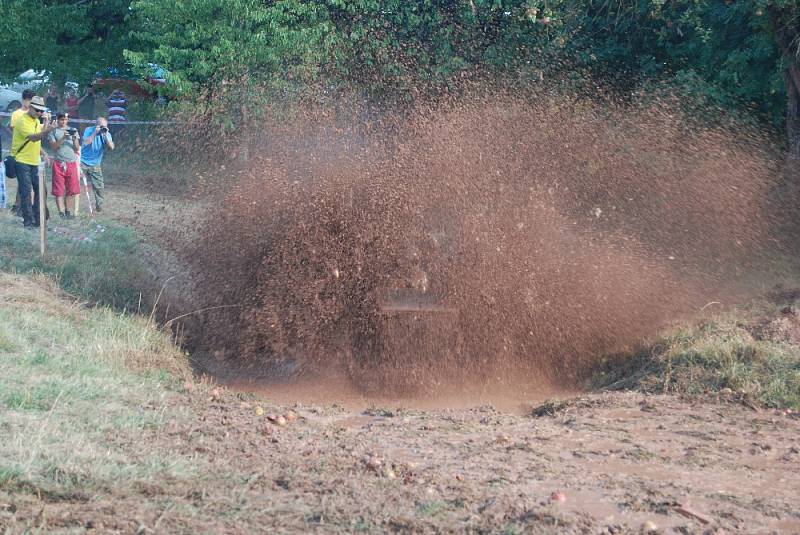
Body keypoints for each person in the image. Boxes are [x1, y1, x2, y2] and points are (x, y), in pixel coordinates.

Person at [11, 96, 56, 228]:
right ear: (30, 107)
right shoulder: (22, 121)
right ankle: (28, 222)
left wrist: (47, 122)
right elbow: (34, 138)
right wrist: (48, 129)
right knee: (26, 192)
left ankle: (39, 220)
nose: (40, 113)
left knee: (42, 191)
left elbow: (42, 134)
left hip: (34, 161)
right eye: (37, 110)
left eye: (42, 111)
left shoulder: (36, 120)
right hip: (21, 161)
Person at [48, 113, 80, 218]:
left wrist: (74, 139)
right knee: (59, 190)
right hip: (58, 163)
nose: (64, 122)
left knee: (71, 190)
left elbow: (76, 148)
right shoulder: (53, 131)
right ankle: (61, 213)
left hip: (71, 162)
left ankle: (68, 211)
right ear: (57, 120)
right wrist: (63, 138)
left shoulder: (73, 130)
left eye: (66, 119)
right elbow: (53, 147)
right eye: (62, 119)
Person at [80, 116, 115, 212]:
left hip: (95, 164)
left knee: (99, 186)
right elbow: (86, 142)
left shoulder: (106, 134)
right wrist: (95, 132)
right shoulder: (89, 130)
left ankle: (99, 206)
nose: (103, 128)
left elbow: (111, 147)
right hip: (82, 161)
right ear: (96, 125)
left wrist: (105, 136)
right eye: (101, 126)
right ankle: (72, 205)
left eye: (105, 126)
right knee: (75, 183)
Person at [8, 89, 35, 214]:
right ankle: (18, 206)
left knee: (25, 182)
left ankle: (19, 205)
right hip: (20, 151)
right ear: (24, 100)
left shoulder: (34, 115)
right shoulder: (16, 114)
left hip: (32, 151)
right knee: (23, 181)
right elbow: (16, 131)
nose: (30, 103)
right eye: (29, 100)